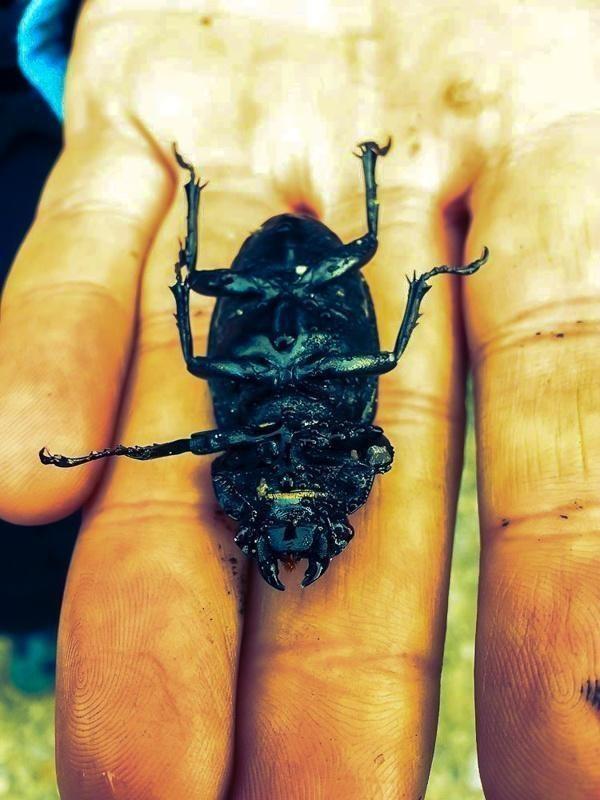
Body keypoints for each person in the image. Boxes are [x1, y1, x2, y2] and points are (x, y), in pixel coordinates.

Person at [2, 1, 599, 798]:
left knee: (195, 343)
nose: (284, 516)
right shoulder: (341, 453)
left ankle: (29, 616)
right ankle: (32, 621)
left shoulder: (244, 465)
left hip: (254, 313)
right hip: (321, 305)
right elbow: (374, 437)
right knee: (372, 310)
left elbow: (218, 445)